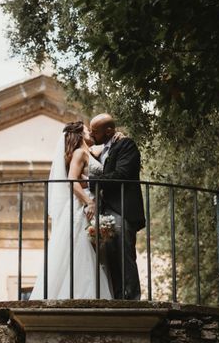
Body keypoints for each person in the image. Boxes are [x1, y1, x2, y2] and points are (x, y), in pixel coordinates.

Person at [29, 121, 112, 300]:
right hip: (82, 205)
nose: (90, 131)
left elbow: (104, 150)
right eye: (86, 130)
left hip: (88, 203)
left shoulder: (88, 152)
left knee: (84, 248)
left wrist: (116, 136)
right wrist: (89, 202)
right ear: (79, 135)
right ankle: (82, 294)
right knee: (79, 248)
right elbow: (72, 180)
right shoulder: (80, 153)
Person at [89, 113, 145, 300]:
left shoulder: (126, 145)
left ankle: (132, 300)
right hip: (106, 210)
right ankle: (119, 298)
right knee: (111, 257)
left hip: (122, 208)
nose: (91, 134)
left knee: (124, 255)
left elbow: (122, 173)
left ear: (109, 131)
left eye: (94, 131)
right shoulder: (102, 149)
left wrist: (92, 181)